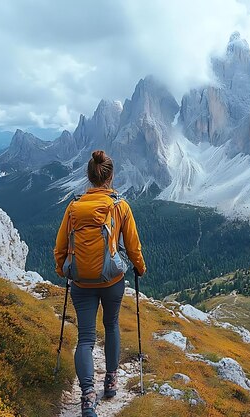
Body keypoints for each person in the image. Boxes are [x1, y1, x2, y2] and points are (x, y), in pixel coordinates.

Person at [54, 150, 146, 417]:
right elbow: (133, 245)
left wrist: (63, 269)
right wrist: (139, 267)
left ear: (89, 176)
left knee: (85, 338)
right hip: (112, 280)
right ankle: (111, 382)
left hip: (81, 281)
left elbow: (61, 245)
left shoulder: (73, 207)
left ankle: (86, 396)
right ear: (110, 176)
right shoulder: (120, 206)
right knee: (112, 325)